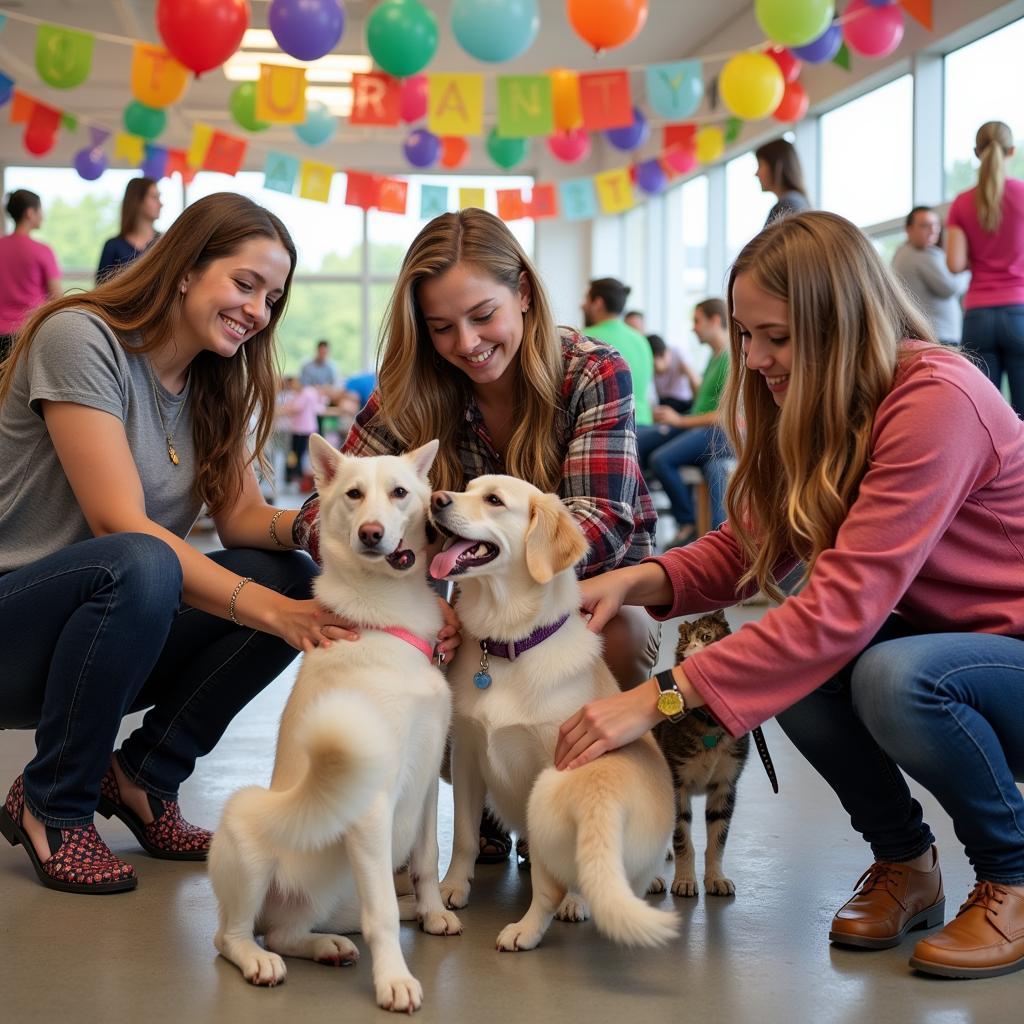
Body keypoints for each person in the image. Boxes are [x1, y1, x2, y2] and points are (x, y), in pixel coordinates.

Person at [555, 210, 1024, 980]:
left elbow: (843, 609)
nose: (755, 357)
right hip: (960, 644)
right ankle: (906, 863)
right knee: (808, 672)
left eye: (776, 336)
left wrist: (657, 699)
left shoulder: (938, 399)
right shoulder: (809, 400)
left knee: (894, 676)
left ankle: (1013, 873)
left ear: (840, 323)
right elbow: (754, 545)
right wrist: (636, 578)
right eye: (744, 334)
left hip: (1003, 655)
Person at [0, 193, 448, 896]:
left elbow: (240, 518)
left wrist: (330, 524)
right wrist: (267, 613)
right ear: (184, 268)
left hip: (107, 635)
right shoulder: (80, 337)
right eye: (245, 284)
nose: (257, 310)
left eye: (272, 297)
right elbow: (118, 519)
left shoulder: (216, 378)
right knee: (148, 562)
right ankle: (53, 802)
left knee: (294, 575)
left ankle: (143, 778)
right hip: (15, 626)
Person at [291, 208, 659, 861]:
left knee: (619, 635)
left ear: (522, 291)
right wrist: (416, 585)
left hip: (573, 586)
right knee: (411, 645)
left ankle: (575, 806)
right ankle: (487, 801)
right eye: (441, 327)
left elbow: (601, 519)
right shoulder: (406, 390)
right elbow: (328, 515)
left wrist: (474, 572)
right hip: (461, 591)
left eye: (483, 315)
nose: (465, 342)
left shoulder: (594, 371)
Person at [637, 300, 731, 547]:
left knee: (659, 458)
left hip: (716, 432)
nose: (693, 328)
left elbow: (724, 415)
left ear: (715, 321)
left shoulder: (729, 358)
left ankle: (687, 523)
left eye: (697, 321)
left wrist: (679, 420)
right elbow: (704, 401)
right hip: (701, 428)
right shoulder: (715, 357)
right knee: (638, 436)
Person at [946, 120, 1024, 415]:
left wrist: (979, 254)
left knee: (987, 416)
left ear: (976, 152)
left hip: (978, 317)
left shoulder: (962, 202)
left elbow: (954, 263)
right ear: (1012, 150)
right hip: (1019, 312)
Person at [581, 278, 656, 426]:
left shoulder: (584, 337)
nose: (582, 305)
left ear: (598, 303)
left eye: (586, 300)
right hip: (644, 423)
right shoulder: (641, 340)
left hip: (611, 426)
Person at [892, 206, 968, 345]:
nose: (933, 230)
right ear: (909, 229)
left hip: (928, 334)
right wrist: (964, 269)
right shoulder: (920, 254)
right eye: (925, 225)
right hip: (937, 335)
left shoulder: (901, 253)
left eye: (936, 225)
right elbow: (949, 288)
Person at [0, 190, 61, 362]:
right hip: (28, 334)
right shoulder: (42, 251)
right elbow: (57, 297)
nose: (43, 215)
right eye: (40, 210)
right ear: (29, 213)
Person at [96, 177, 162, 282]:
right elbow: (101, 288)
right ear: (137, 201)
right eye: (154, 197)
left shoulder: (165, 242)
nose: (160, 204)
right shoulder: (113, 246)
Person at [277, 375, 324, 485]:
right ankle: (293, 475)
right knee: (295, 453)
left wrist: (279, 411)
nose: (291, 386)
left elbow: (295, 408)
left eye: (293, 383)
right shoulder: (301, 393)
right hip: (300, 428)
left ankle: (297, 476)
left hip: (303, 429)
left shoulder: (306, 393)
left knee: (297, 454)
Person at [755, 138, 811, 226]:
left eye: (760, 165)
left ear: (776, 165)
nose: (756, 173)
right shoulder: (797, 202)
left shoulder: (787, 206)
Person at [648, 332, 696, 414]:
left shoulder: (677, 354)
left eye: (654, 366)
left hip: (683, 402)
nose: (653, 370)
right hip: (663, 402)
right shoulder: (651, 363)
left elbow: (695, 381)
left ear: (662, 355)